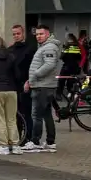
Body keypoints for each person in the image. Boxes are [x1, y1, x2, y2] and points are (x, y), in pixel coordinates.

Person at [23, 25, 62, 153]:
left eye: (41, 34)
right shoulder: (45, 47)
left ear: (48, 34)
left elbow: (49, 65)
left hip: (43, 86)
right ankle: (50, 142)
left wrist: (35, 75)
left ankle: (35, 142)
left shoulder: (49, 47)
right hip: (45, 85)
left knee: (36, 116)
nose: (38, 36)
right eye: (37, 34)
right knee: (46, 115)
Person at [8, 24, 36, 144]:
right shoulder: (10, 50)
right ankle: (18, 137)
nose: (16, 36)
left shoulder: (30, 49)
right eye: (14, 34)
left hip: (26, 85)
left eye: (18, 33)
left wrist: (29, 81)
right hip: (13, 85)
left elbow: (33, 67)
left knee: (26, 112)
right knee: (15, 113)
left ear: (23, 34)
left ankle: (28, 137)